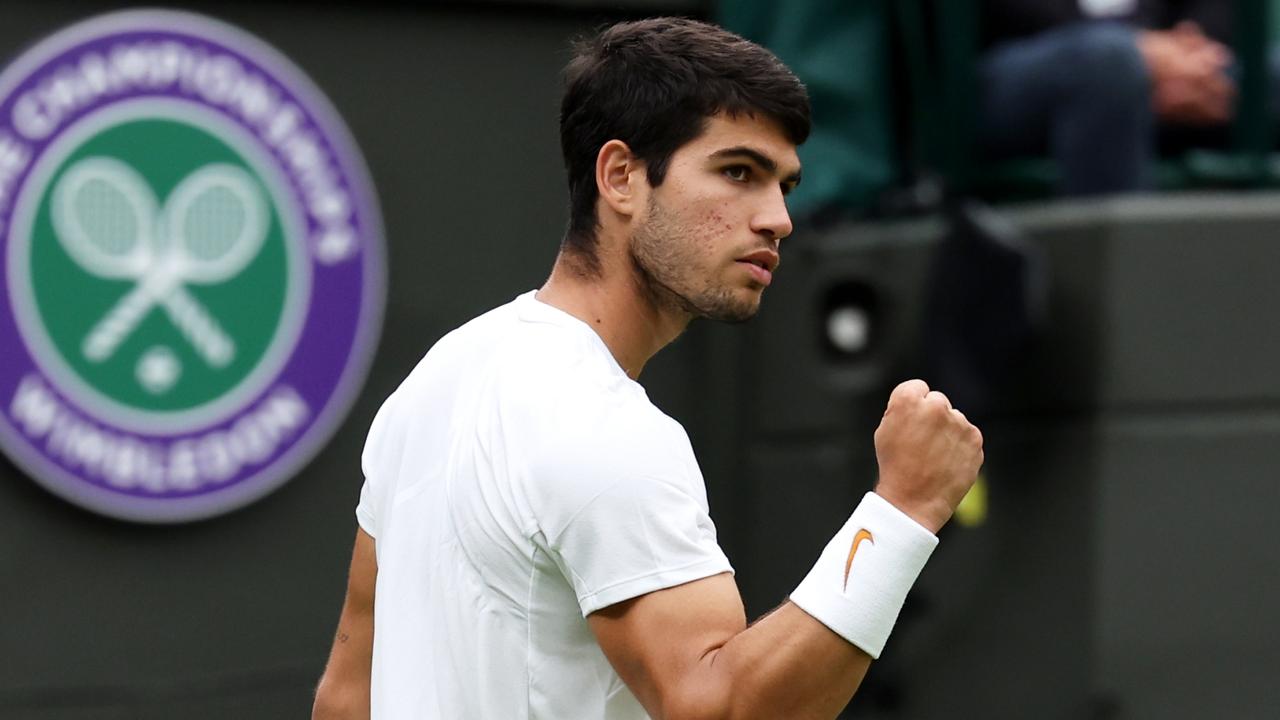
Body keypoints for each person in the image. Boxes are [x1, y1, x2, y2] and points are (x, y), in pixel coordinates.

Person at [311, 17, 983, 720]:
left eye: (784, 184)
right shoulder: (602, 426)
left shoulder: (433, 383)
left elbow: (345, 699)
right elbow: (720, 709)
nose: (778, 217)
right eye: (738, 173)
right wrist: (905, 507)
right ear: (621, 177)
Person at [979, 0, 1241, 195]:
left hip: (1177, 56)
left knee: (1269, 81)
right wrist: (1143, 51)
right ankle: (1126, 264)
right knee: (1109, 67)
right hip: (1011, 63)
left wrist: (1188, 54)